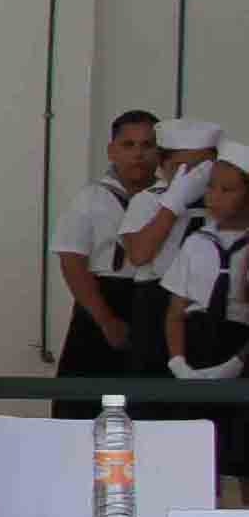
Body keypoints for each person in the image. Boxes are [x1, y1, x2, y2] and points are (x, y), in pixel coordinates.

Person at [151, 139, 249, 496]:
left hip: (240, 350)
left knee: (241, 452)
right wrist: (179, 362)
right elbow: (175, 312)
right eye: (210, 187)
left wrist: (235, 364)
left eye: (227, 190)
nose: (214, 197)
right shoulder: (197, 242)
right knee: (197, 454)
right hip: (198, 346)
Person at [52, 109, 167, 378]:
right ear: (111, 150)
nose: (138, 154)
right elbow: (72, 262)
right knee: (86, 396)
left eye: (147, 145)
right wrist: (105, 321)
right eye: (128, 145)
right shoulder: (90, 198)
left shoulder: (168, 201)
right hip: (103, 297)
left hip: (153, 298)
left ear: (161, 152)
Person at [111, 117, 228, 289]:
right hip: (158, 292)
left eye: (201, 168)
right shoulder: (148, 199)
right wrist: (173, 204)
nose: (192, 176)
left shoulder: (229, 200)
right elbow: (139, 255)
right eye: (182, 167)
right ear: (162, 164)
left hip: (211, 292)